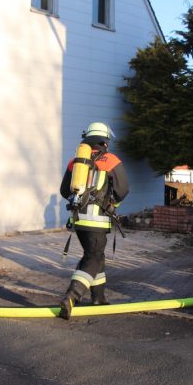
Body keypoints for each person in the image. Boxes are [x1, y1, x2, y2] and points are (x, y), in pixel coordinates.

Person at [58, 122, 129, 320]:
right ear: (104, 141)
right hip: (97, 221)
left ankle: (99, 298)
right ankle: (71, 297)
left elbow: (65, 191)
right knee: (93, 258)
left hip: (79, 220)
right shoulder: (111, 160)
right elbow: (123, 190)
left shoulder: (76, 161)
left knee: (96, 255)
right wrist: (110, 202)